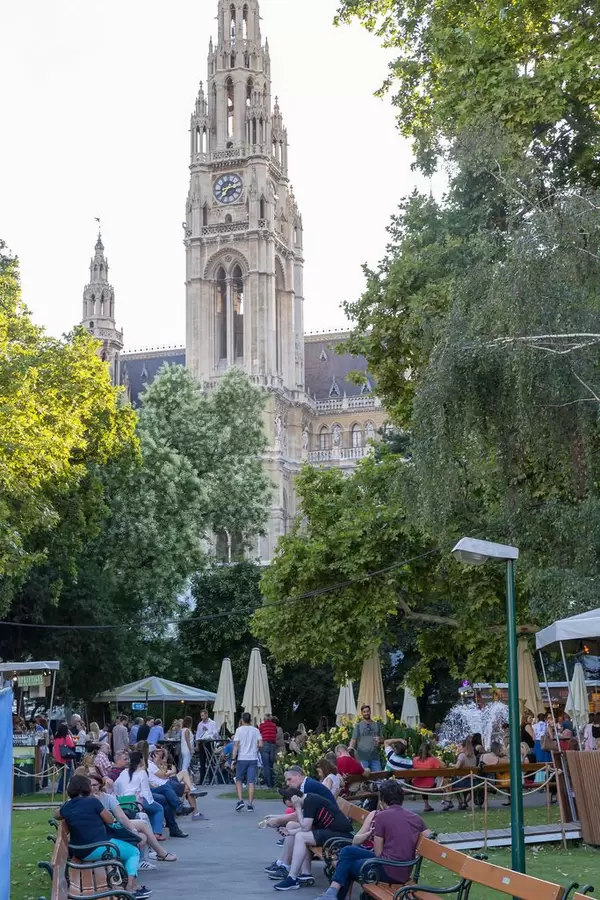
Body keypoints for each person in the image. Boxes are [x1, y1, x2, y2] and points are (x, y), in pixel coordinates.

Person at [314, 779, 429, 900]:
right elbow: (430, 836)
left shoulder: (381, 816)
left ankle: (332, 894)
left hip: (388, 869)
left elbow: (378, 853)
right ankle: (332, 894)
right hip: (403, 871)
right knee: (347, 851)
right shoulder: (415, 818)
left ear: (382, 799)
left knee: (347, 865)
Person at [55, 774, 150, 900]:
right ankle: (130, 888)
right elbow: (110, 820)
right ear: (86, 788)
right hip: (98, 847)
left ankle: (129, 885)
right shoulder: (93, 802)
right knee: (133, 852)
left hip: (78, 850)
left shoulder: (67, 806)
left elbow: (56, 814)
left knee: (122, 849)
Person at [88, 771, 178, 865]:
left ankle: (146, 858)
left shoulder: (107, 798)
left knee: (142, 831)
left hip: (112, 825)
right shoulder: (85, 799)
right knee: (143, 824)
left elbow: (121, 816)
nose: (93, 788)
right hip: (102, 829)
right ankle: (159, 853)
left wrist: (133, 830)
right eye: (90, 785)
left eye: (95, 785)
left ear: (100, 785)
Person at [271, 790, 353, 890]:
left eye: (292, 806)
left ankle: (292, 878)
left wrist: (297, 807)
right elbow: (309, 826)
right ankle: (305, 874)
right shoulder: (309, 799)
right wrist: (289, 832)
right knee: (293, 826)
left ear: (296, 799)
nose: (293, 809)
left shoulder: (310, 801)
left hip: (340, 835)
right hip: (330, 831)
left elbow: (305, 828)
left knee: (301, 836)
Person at [114, 750, 189, 840]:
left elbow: (116, 786)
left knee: (165, 792)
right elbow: (146, 792)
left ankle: (177, 811)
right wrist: (151, 802)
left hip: (126, 800)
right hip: (139, 799)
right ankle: (160, 832)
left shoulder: (123, 773)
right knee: (159, 807)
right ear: (141, 760)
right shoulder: (141, 772)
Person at [232, 712, 263, 811]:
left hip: (242, 758)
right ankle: (250, 803)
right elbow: (261, 744)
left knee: (239, 780)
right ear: (250, 720)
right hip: (253, 758)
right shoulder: (256, 730)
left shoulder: (239, 730)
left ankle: (241, 800)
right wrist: (256, 748)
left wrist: (233, 759)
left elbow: (236, 745)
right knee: (251, 782)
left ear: (242, 720)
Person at [349, 705, 382, 772]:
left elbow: (382, 739)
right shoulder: (358, 726)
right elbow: (353, 740)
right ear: (362, 713)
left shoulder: (377, 725)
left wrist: (380, 739)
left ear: (370, 712)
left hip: (374, 757)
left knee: (378, 777)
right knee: (364, 779)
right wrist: (349, 750)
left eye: (367, 711)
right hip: (362, 757)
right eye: (364, 712)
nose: (366, 713)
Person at [412, 741, 441, 814]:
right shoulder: (432, 760)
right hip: (430, 785)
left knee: (422, 780)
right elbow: (443, 766)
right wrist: (434, 757)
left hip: (416, 784)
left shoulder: (415, 760)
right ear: (428, 750)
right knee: (427, 781)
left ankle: (426, 805)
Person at [195, 709, 218, 783]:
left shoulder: (213, 723)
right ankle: (202, 780)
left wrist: (208, 731)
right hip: (202, 743)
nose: (202, 717)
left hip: (209, 742)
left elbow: (216, 734)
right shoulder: (200, 724)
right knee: (202, 762)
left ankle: (211, 779)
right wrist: (197, 744)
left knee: (210, 761)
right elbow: (198, 735)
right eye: (201, 716)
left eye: (203, 715)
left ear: (206, 715)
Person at [53, 722, 76, 794]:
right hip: (66, 758)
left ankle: (61, 788)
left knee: (63, 774)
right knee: (66, 775)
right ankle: (61, 789)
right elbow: (72, 745)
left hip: (58, 758)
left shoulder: (56, 738)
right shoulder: (67, 736)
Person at [259, 714, 278, 789]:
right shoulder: (274, 725)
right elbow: (275, 732)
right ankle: (273, 782)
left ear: (264, 719)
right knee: (271, 764)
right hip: (272, 745)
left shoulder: (262, 725)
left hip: (265, 744)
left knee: (266, 765)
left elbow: (259, 733)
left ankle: (269, 783)